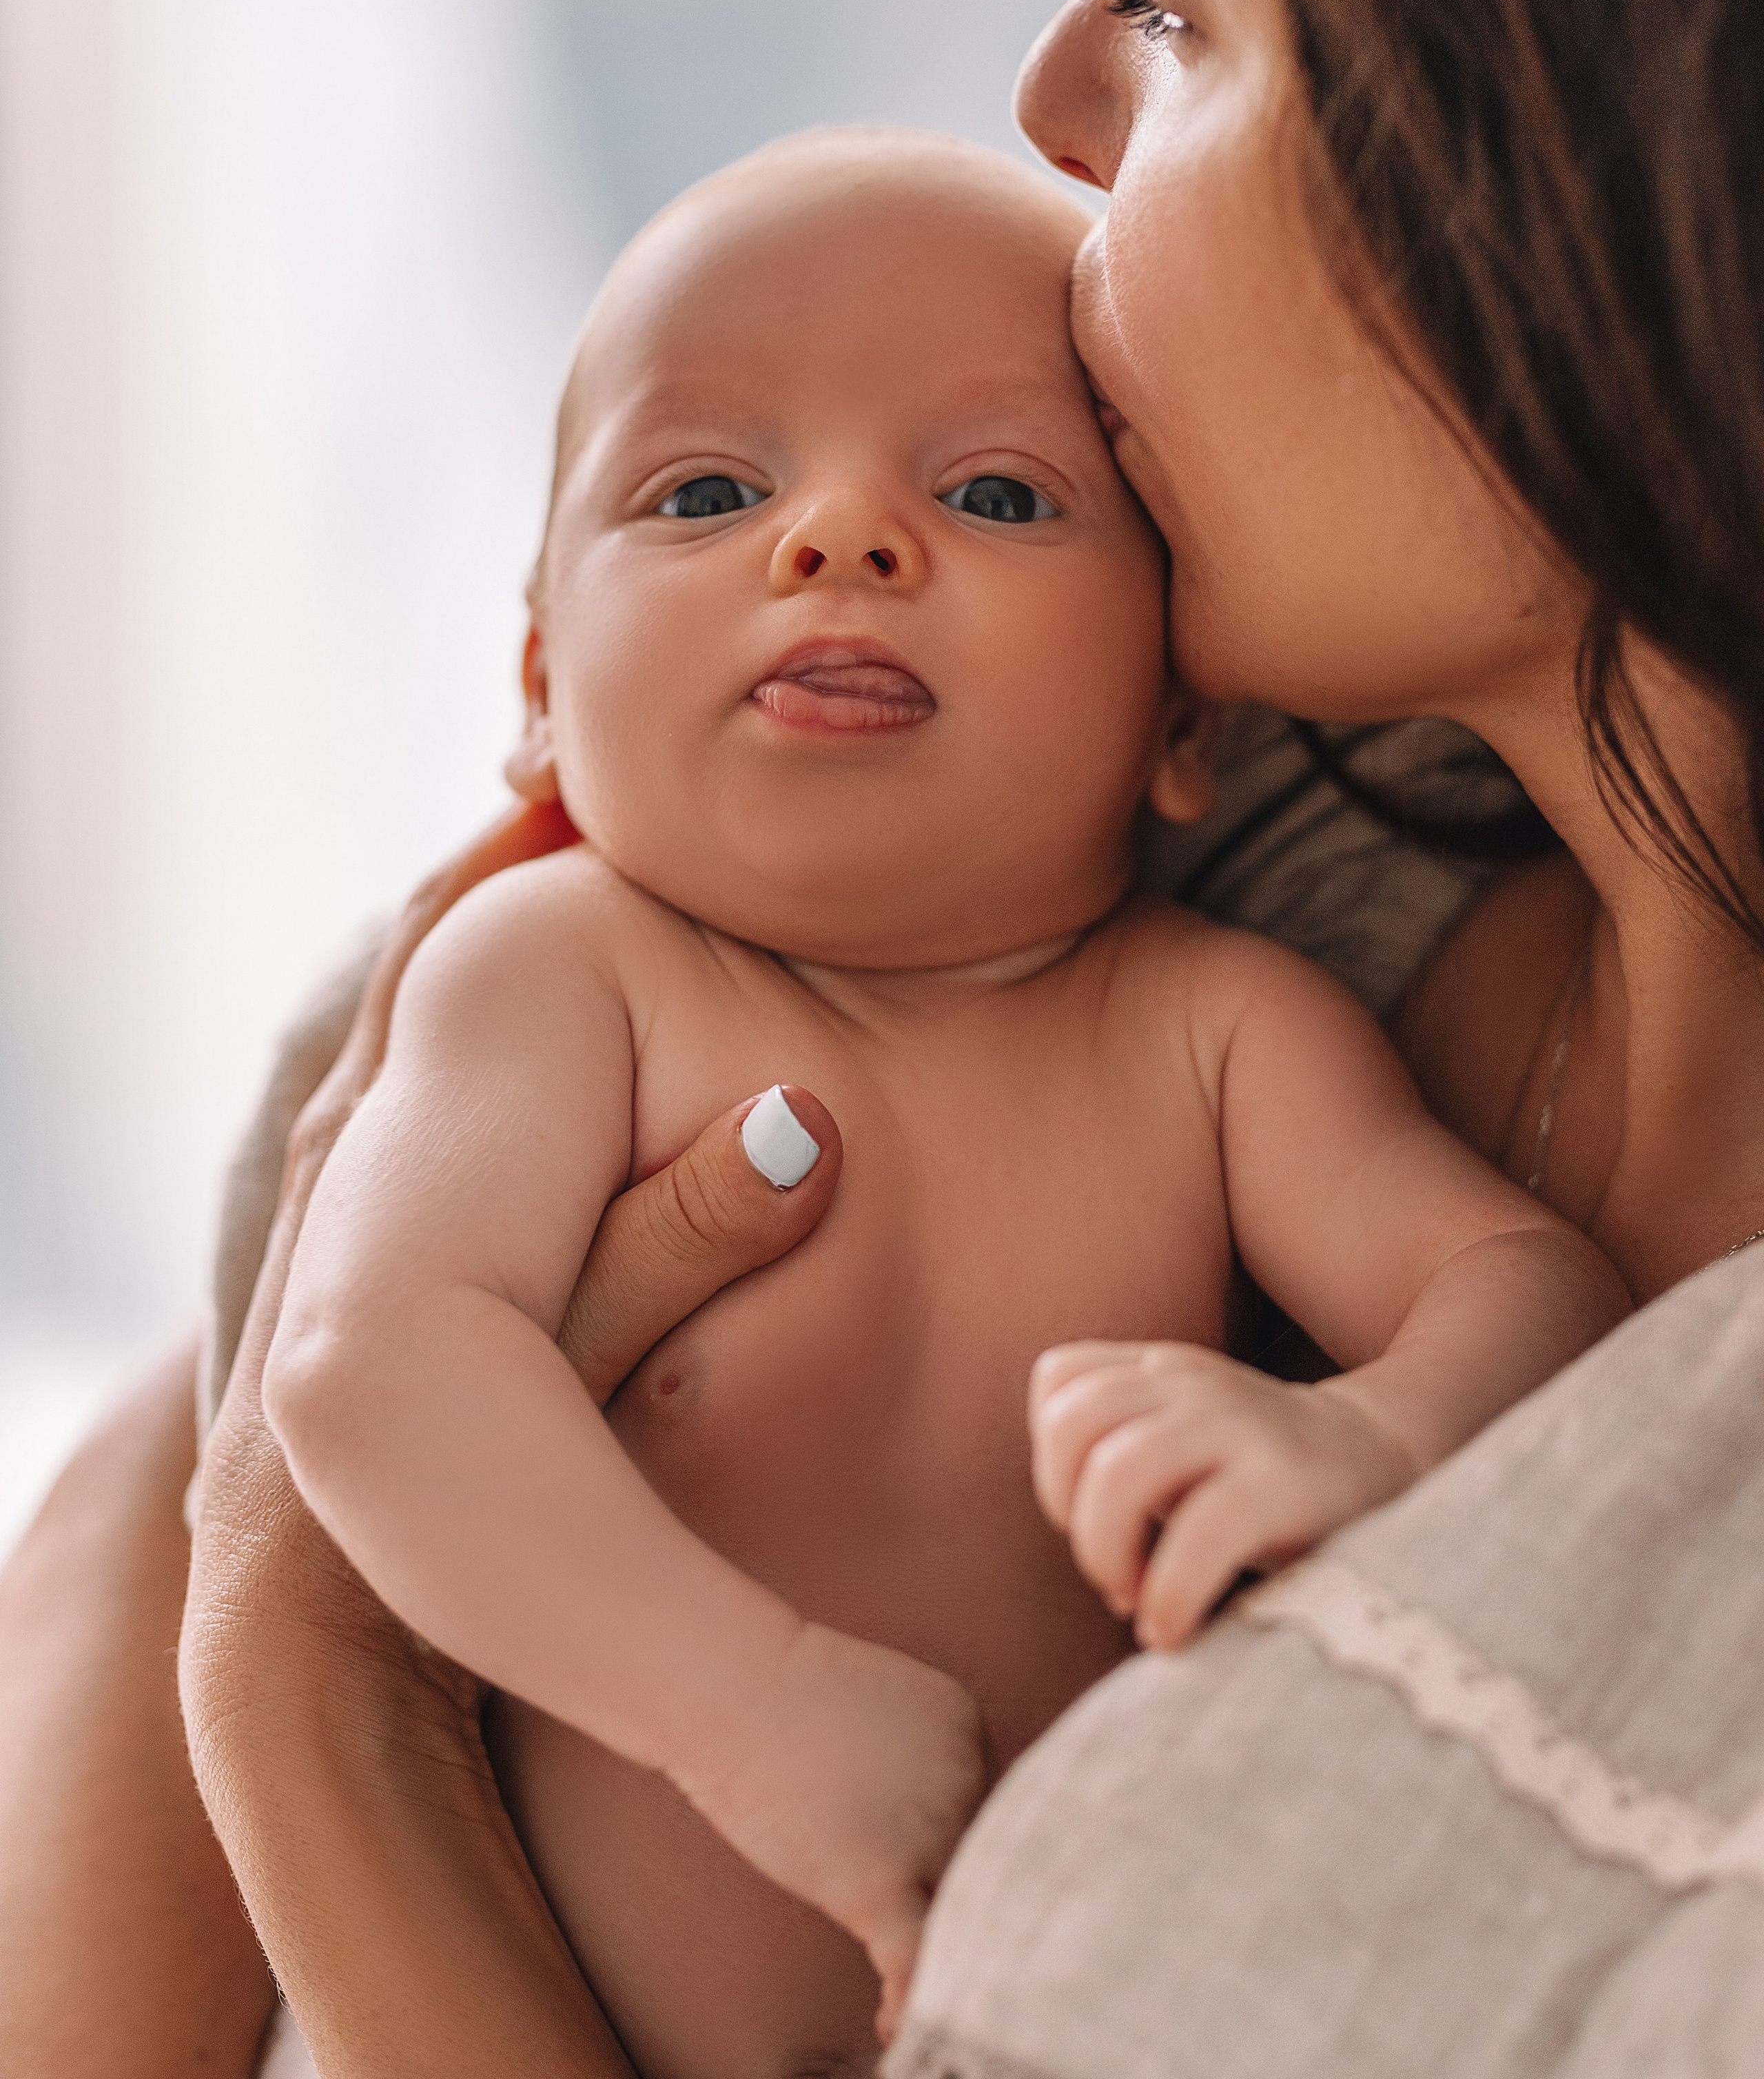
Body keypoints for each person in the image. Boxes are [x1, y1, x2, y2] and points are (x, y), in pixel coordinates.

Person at [4, 0, 1760, 2065]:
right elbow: (215, 1456)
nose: (1057, 100)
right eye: (710, 489)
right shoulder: (1272, 862)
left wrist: (319, 1717)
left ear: (1599, 155)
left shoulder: (1219, 1016)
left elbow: (251, 1578)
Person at [256, 125, 1620, 2071]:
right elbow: (369, 1365)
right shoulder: (563, 971)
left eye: (994, 491)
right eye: (710, 487)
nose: (840, 537)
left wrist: (1376, 1442)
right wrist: (748, 1707)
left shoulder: (1216, 1028)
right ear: (545, 686)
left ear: (1178, 721)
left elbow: (1525, 1277)